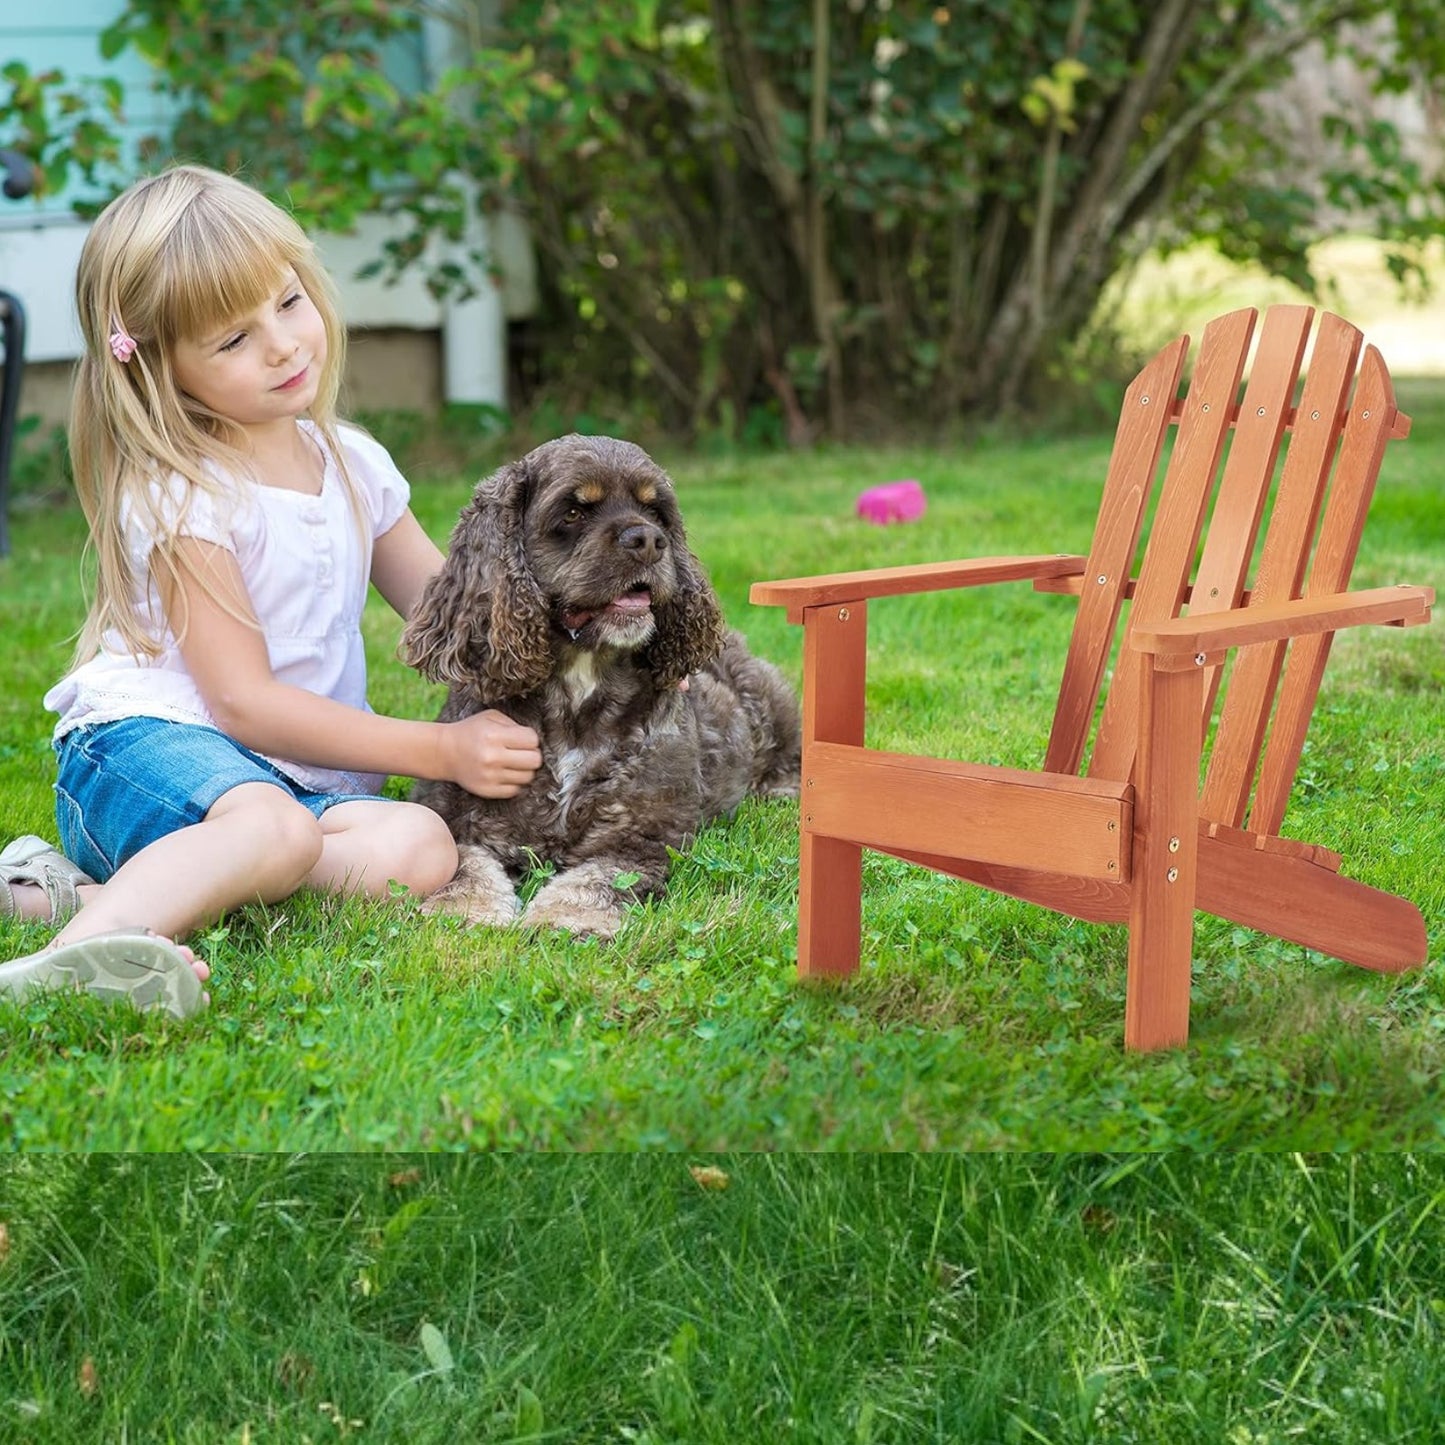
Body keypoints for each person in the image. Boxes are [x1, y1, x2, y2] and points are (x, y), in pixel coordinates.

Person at [0, 164, 542, 1018]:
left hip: (291, 784)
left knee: (418, 846)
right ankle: (70, 964)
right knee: (274, 832)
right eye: (232, 340)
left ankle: (76, 896)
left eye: (287, 303)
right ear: (160, 366)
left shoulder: (351, 462)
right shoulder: (187, 492)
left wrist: (601, 647)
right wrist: (438, 751)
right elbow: (244, 704)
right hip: (149, 748)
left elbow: (458, 617)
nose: (284, 344)